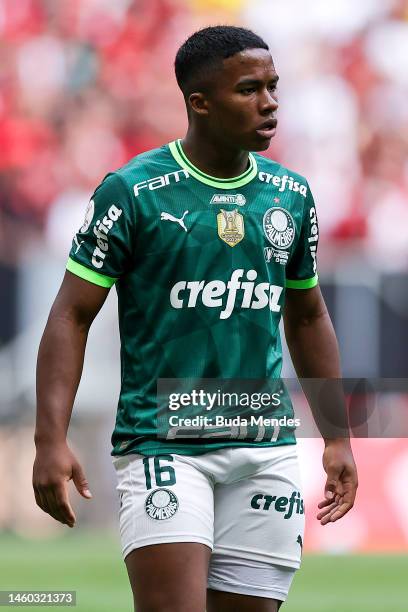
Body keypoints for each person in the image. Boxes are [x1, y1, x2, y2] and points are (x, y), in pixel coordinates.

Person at [33, 25, 358, 612]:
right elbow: (70, 316)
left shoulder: (291, 196)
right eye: (249, 89)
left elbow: (307, 316)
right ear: (199, 102)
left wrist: (337, 435)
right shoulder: (133, 192)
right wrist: (49, 438)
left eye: (273, 87)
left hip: (265, 446)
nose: (270, 103)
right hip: (163, 442)